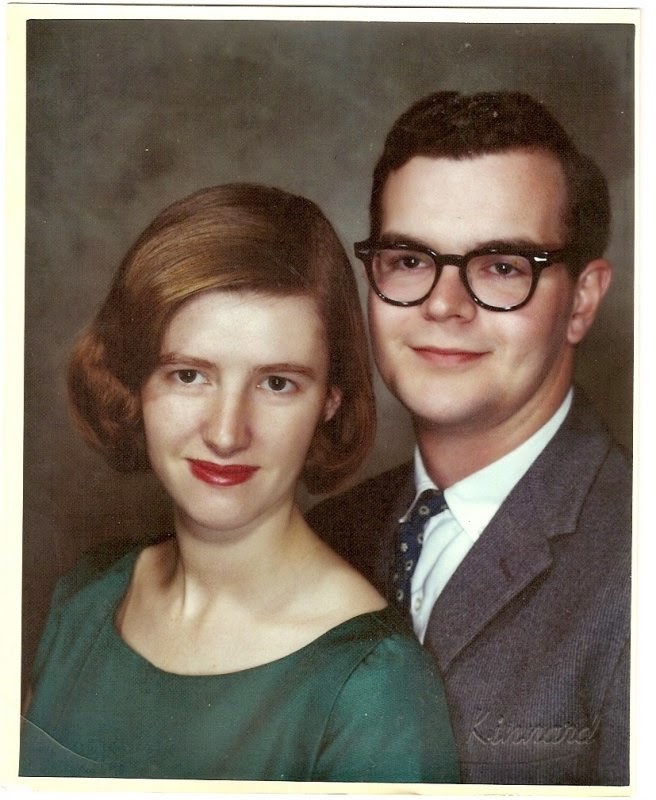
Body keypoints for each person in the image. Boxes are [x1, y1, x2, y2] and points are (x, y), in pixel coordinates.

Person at [19, 183, 459, 782]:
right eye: (188, 375)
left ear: (329, 400)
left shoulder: (376, 688)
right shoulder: (86, 600)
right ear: (135, 381)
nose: (226, 434)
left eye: (277, 383)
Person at [307, 91, 631, 785]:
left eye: (502, 267)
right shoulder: (325, 536)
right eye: (409, 260)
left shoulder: (638, 560)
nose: (443, 305)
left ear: (582, 301)